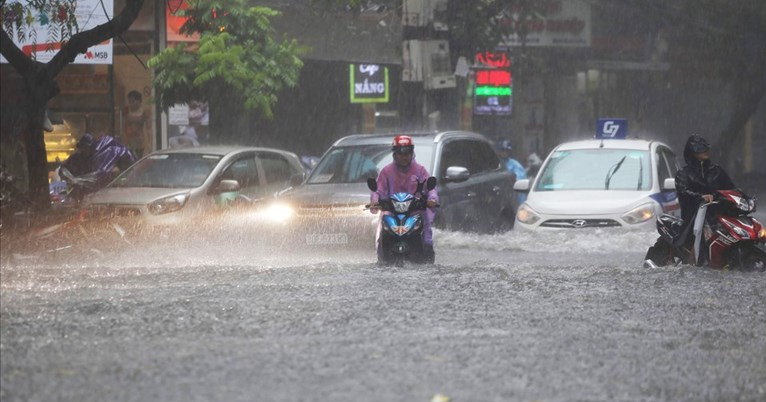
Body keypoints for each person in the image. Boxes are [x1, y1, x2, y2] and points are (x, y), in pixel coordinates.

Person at [645, 134, 736, 267]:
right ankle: (702, 262)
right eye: (700, 149)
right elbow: (684, 191)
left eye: (705, 148)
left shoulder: (717, 171)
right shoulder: (683, 174)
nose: (705, 151)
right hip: (694, 219)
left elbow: (731, 188)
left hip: (719, 215)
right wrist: (701, 197)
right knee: (704, 242)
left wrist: (744, 198)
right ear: (692, 153)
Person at [370, 135, 439, 262]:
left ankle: (427, 255)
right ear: (394, 154)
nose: (404, 157)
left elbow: (431, 189)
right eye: (400, 153)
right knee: (382, 230)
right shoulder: (386, 172)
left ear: (412, 153)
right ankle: (382, 255)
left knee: (426, 231)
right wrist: (374, 202)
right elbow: (377, 190)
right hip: (391, 213)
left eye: (407, 153)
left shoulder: (420, 170)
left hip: (415, 213)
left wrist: (432, 200)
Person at [496, 139, 528, 203]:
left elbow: (520, 183)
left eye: (507, 150)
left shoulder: (515, 164)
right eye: (503, 150)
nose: (504, 152)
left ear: (509, 152)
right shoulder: (495, 163)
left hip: (511, 195)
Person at [123, 90, 151, 158]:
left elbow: (149, 127)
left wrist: (149, 145)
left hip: (140, 143)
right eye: (130, 101)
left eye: (133, 101)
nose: (131, 104)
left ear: (139, 101)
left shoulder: (144, 112)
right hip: (128, 142)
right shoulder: (126, 111)